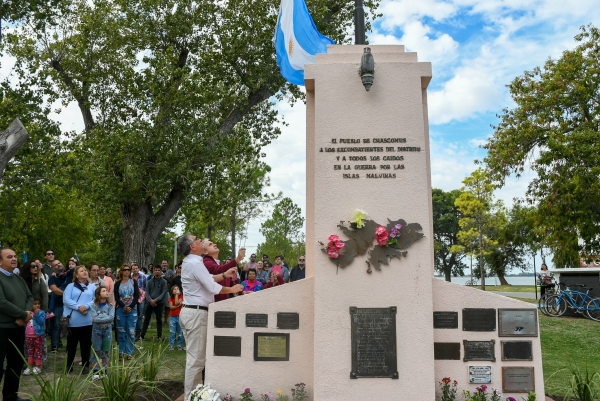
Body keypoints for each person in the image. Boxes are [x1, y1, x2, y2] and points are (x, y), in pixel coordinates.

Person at [178, 234, 242, 399]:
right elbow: (213, 287)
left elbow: (208, 279)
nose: (200, 240)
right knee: (196, 361)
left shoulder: (193, 262)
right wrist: (232, 290)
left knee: (195, 359)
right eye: (197, 239)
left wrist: (225, 275)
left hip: (191, 312)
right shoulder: (195, 263)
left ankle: (195, 395)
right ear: (192, 246)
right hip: (197, 314)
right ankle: (191, 397)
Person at [0, 248, 33, 401]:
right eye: (9, 257)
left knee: (16, 363)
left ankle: (10, 396)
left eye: (14, 256)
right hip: (2, 328)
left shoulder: (18, 278)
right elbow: (1, 302)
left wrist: (25, 313)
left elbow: (30, 297)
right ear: (0, 261)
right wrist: (22, 314)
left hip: (17, 327)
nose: (14, 259)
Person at [63, 265, 96, 374]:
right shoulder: (70, 286)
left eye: (85, 270)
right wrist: (78, 307)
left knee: (86, 344)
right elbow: (66, 299)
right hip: (73, 321)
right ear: (76, 275)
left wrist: (85, 307)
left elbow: (95, 299)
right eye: (81, 271)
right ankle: (69, 365)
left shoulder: (92, 287)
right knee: (71, 344)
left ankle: (86, 365)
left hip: (87, 320)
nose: (84, 272)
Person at [114, 264, 139, 359]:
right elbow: (116, 297)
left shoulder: (133, 282)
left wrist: (131, 307)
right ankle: (121, 351)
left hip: (132, 310)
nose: (127, 271)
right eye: (125, 270)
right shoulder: (117, 283)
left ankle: (129, 352)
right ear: (121, 271)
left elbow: (136, 295)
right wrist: (124, 307)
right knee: (121, 331)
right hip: (121, 310)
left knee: (131, 331)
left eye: (129, 270)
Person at [90, 286, 114, 379]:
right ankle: (96, 371)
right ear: (98, 295)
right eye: (104, 291)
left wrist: (99, 318)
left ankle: (104, 370)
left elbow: (111, 317)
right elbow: (94, 319)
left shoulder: (111, 306)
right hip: (97, 330)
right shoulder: (93, 306)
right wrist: (104, 318)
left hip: (107, 331)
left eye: (106, 290)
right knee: (96, 350)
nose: (106, 292)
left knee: (106, 350)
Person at [140, 265, 168, 341]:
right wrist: (150, 300)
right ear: (153, 271)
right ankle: (142, 336)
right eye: (156, 270)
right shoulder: (149, 281)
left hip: (159, 303)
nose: (157, 271)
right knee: (146, 319)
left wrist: (156, 301)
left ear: (161, 271)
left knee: (159, 319)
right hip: (149, 303)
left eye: (159, 270)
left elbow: (163, 292)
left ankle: (159, 336)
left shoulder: (164, 282)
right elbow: (147, 292)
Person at [48, 259, 67, 352]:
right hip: (58, 305)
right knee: (56, 325)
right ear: (53, 268)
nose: (58, 265)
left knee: (70, 326)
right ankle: (54, 345)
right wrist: (68, 294)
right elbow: (54, 290)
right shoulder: (52, 278)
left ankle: (69, 346)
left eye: (59, 263)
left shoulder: (68, 275)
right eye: (55, 265)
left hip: (70, 305)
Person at [23, 299, 46, 375]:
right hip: (28, 335)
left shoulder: (41, 313)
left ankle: (38, 366)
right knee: (30, 351)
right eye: (35, 304)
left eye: (38, 303)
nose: (37, 305)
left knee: (38, 350)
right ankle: (30, 366)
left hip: (38, 335)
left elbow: (41, 322)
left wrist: (36, 315)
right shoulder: (27, 313)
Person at [131, 263, 147, 341]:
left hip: (141, 299)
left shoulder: (143, 277)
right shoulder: (130, 278)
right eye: (133, 268)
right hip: (132, 299)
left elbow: (145, 287)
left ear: (139, 268)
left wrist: (143, 297)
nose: (135, 270)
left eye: (136, 268)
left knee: (140, 316)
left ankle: (138, 333)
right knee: (133, 316)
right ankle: (132, 332)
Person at [168, 285, 185, 351]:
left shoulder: (181, 297)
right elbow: (171, 307)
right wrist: (178, 306)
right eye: (174, 289)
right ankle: (171, 345)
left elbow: (176, 303)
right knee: (172, 332)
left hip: (180, 316)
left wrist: (177, 296)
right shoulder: (170, 299)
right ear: (172, 292)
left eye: (177, 289)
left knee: (180, 332)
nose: (176, 290)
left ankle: (179, 345)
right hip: (173, 317)